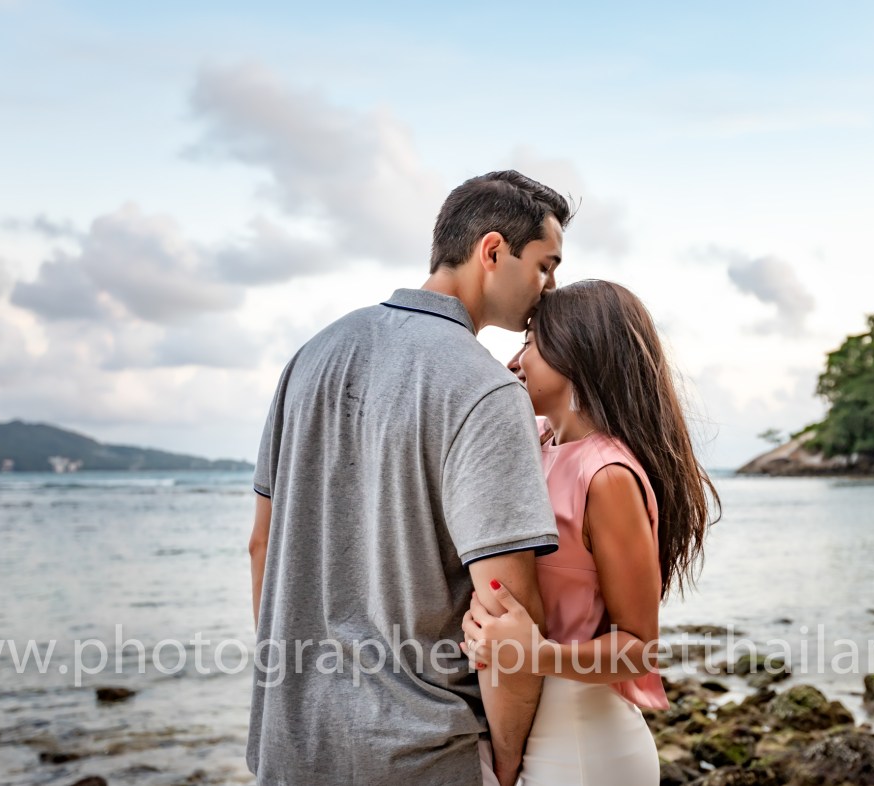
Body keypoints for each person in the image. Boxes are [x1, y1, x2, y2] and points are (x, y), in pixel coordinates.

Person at [246, 170, 573, 786]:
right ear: (493, 251)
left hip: (289, 751)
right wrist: (507, 763)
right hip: (422, 757)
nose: (550, 287)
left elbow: (261, 545)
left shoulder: (308, 358)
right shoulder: (487, 389)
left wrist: (292, 691)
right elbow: (506, 605)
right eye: (545, 265)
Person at [462, 279, 719, 785]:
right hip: (526, 725)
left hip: (582, 744)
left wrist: (535, 654)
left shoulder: (606, 476)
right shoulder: (537, 444)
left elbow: (639, 648)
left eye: (530, 343)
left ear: (576, 354)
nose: (514, 362)